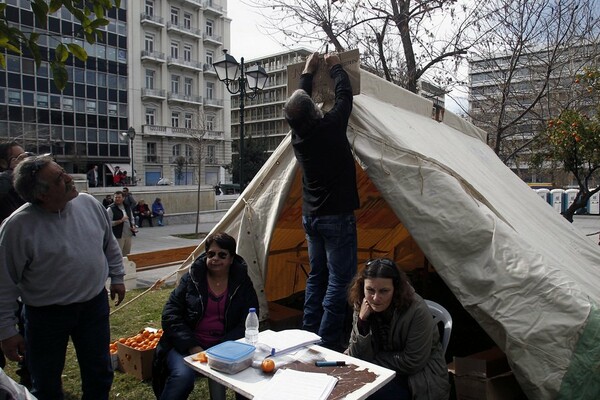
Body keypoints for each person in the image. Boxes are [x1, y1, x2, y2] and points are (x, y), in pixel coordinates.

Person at [0, 155, 126, 400]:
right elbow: (4, 283)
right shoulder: (17, 227)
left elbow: (108, 243)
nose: (69, 178)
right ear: (42, 195)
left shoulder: (88, 203)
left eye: (63, 171)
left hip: (93, 306)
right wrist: (6, 331)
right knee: (45, 381)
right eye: (59, 178)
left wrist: (118, 276)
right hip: (45, 316)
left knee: (99, 372)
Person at [284, 51, 359, 351]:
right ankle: (326, 341)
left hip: (311, 216)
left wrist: (307, 72)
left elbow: (299, 105)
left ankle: (307, 332)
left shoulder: (298, 137)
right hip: (335, 216)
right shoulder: (329, 128)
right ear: (314, 111)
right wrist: (337, 67)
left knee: (317, 276)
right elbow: (345, 98)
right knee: (339, 280)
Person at [153, 233, 258, 400]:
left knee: (248, 380)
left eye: (222, 255)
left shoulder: (242, 282)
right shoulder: (192, 278)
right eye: (211, 254)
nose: (215, 259)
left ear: (231, 259)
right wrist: (192, 346)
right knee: (182, 377)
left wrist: (224, 348)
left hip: (227, 347)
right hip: (188, 347)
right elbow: (170, 314)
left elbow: (248, 319)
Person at [347, 259, 450, 400]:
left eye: (384, 291)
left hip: (417, 379)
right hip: (378, 370)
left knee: (370, 395)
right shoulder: (363, 303)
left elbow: (412, 362)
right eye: (370, 290)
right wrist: (362, 322)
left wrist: (372, 359)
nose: (376, 298)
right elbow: (356, 357)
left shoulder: (417, 310)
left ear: (396, 289)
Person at [0, 141, 32, 387]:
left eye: (26, 155)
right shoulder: (6, 187)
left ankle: (29, 371)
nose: (25, 160)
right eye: (17, 158)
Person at [107, 190, 137, 256]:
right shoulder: (111, 209)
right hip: (118, 236)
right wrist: (120, 221)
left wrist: (133, 226)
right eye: (116, 197)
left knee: (127, 254)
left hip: (128, 235)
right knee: (118, 254)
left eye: (119, 197)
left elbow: (131, 218)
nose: (117, 199)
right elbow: (107, 223)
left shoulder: (127, 207)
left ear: (123, 198)